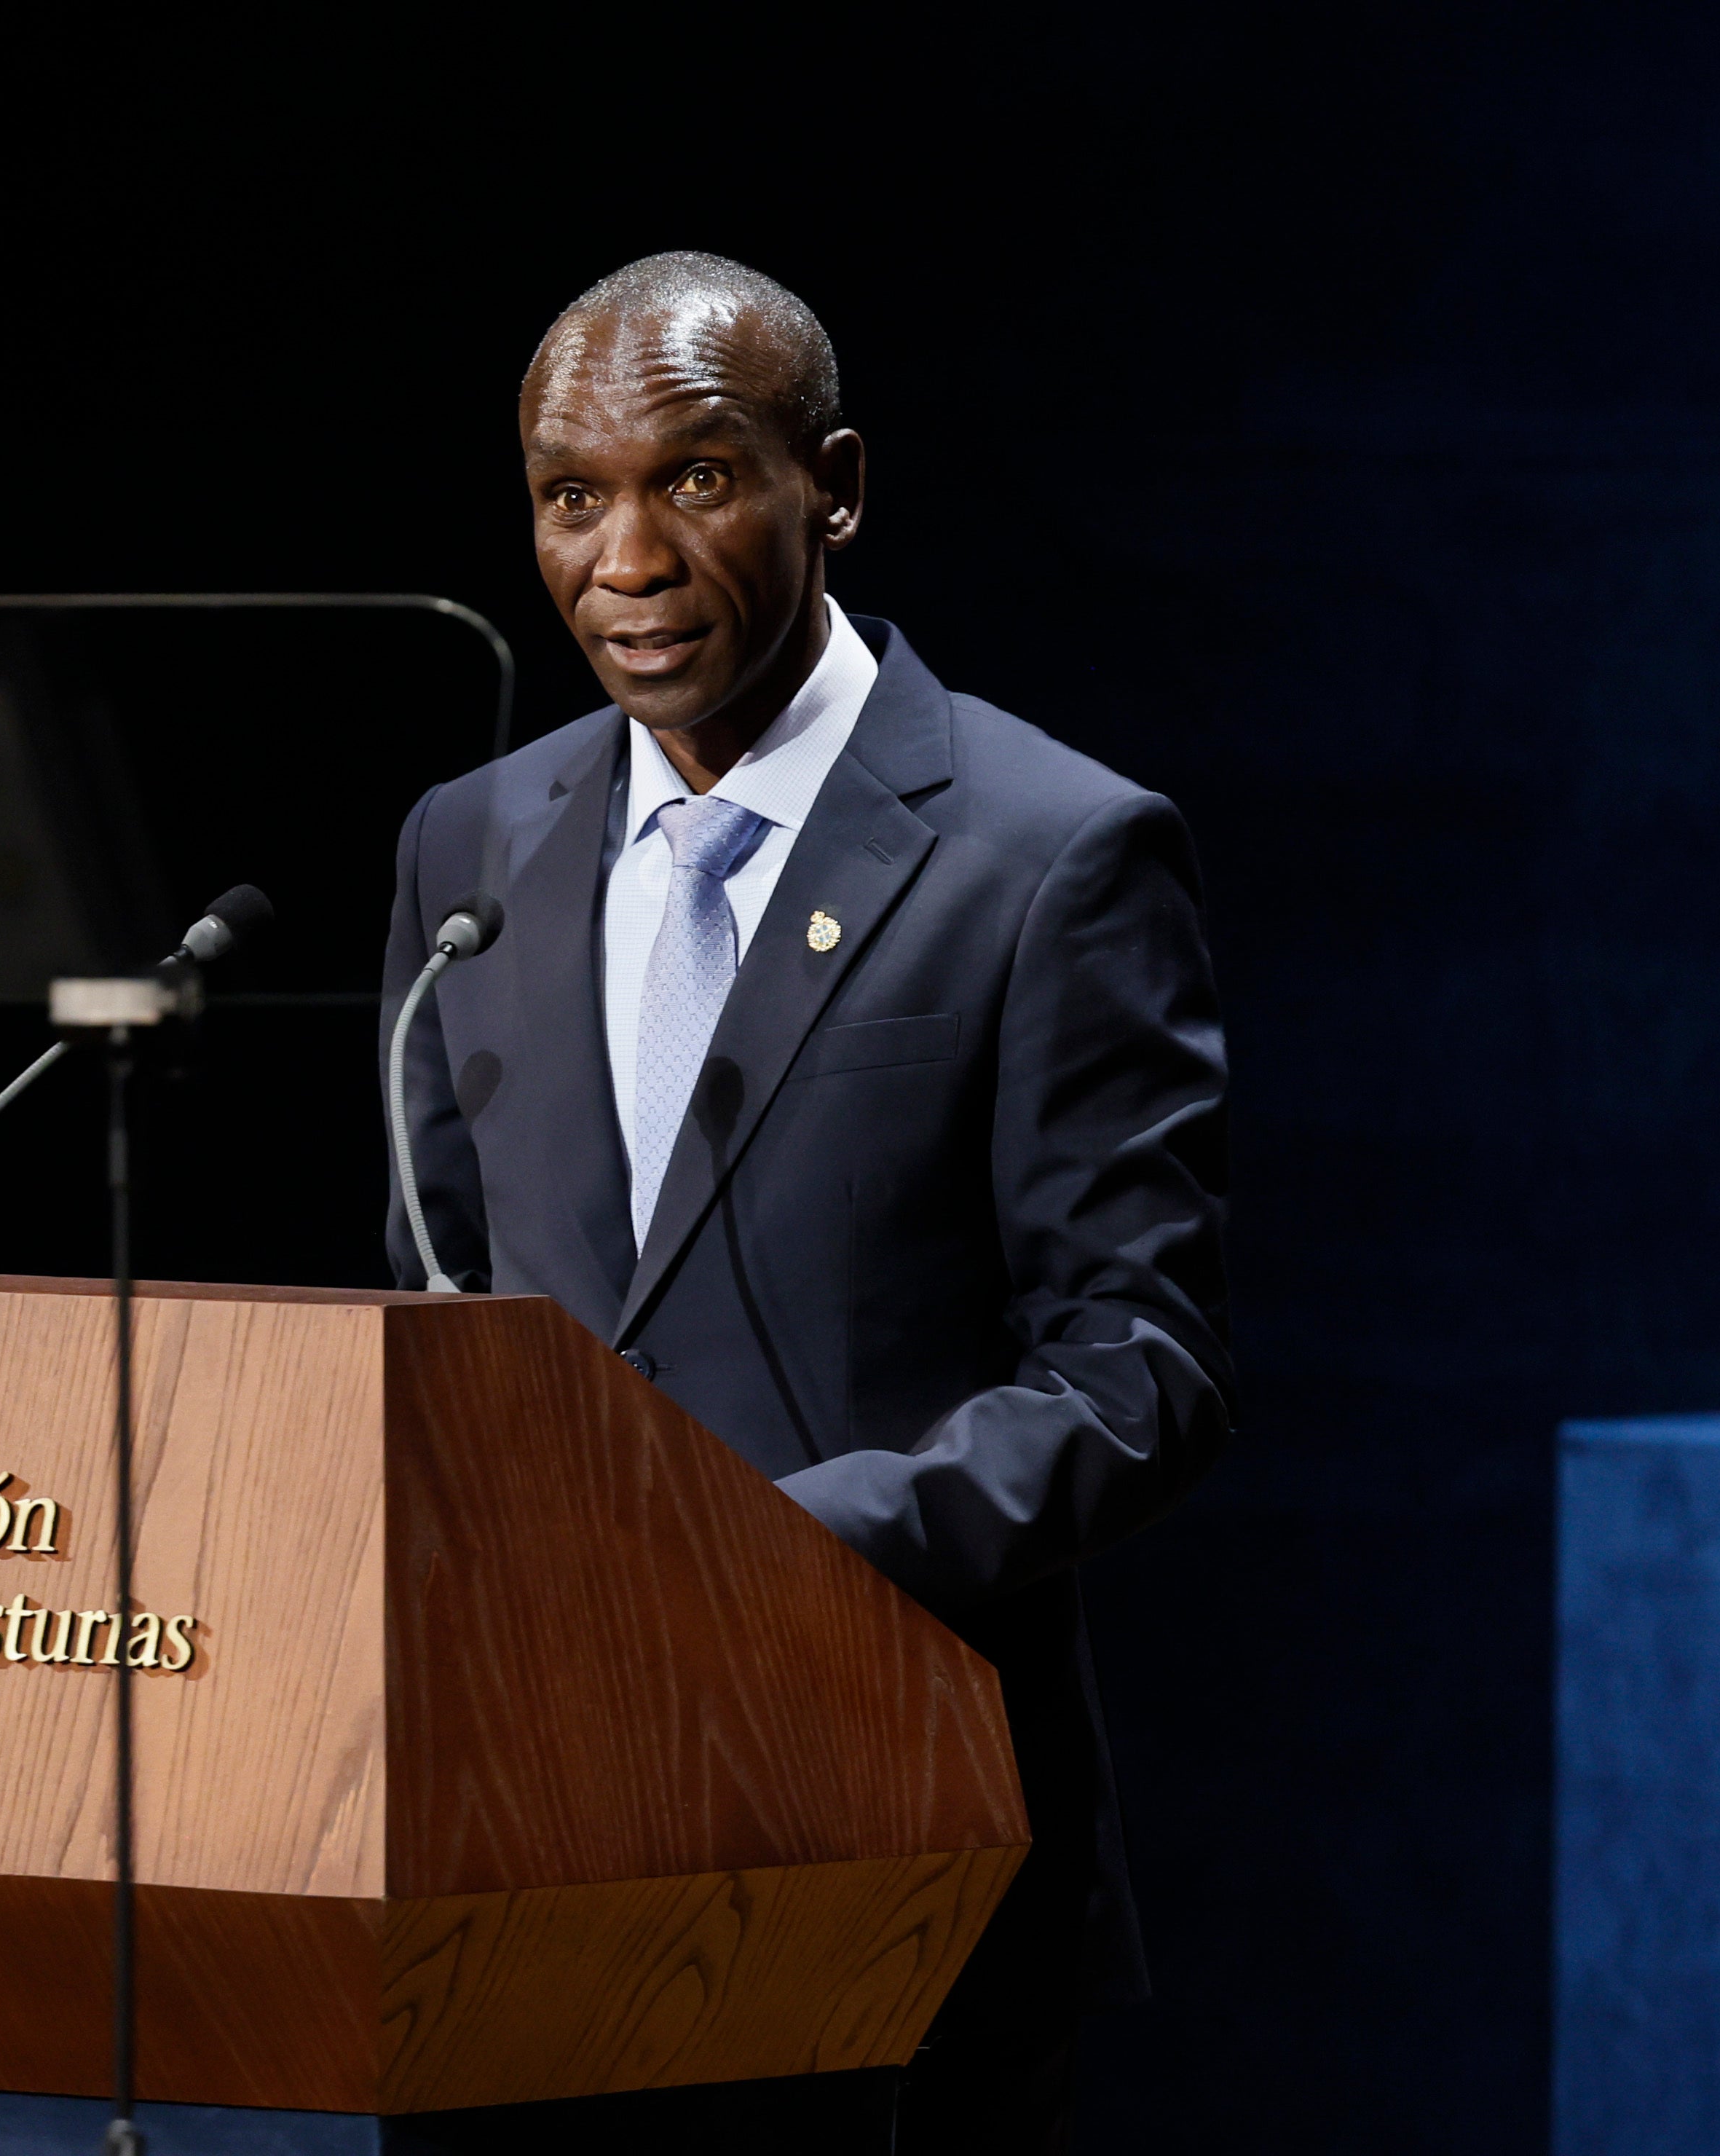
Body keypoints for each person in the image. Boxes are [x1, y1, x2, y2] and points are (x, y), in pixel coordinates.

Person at [383, 251, 1233, 2152]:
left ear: (830, 485)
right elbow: (437, 1315)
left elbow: (1140, 1370)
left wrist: (766, 1554)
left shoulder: (1050, 854)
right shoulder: (472, 846)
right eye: (567, 496)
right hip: (521, 1870)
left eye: (693, 479)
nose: (626, 557)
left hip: (889, 1859)